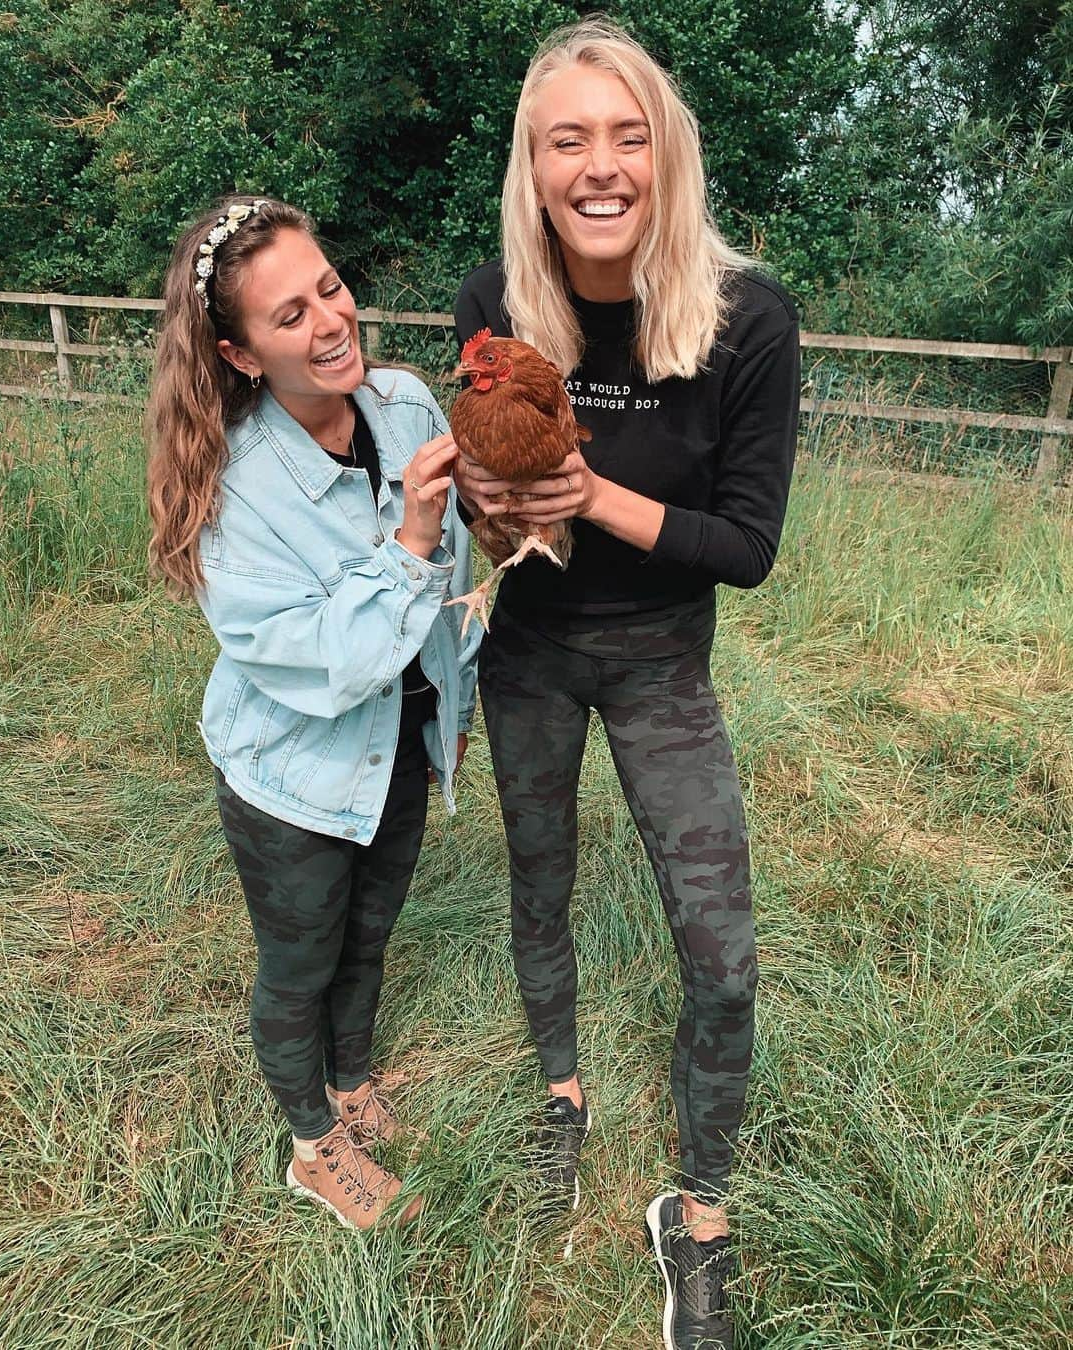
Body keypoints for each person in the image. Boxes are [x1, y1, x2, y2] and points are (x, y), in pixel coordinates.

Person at [453, 18, 798, 1348]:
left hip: (664, 654)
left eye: (625, 135)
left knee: (722, 953)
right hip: (529, 643)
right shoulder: (497, 296)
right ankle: (561, 1092)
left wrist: (592, 489)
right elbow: (490, 508)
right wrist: (486, 510)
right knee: (538, 872)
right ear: (535, 171)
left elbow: (749, 548)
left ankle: (695, 1211)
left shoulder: (746, 319)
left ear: (665, 154)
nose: (599, 165)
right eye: (566, 140)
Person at [147, 196, 479, 1231]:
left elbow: (459, 575)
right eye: (288, 316)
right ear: (240, 354)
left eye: (329, 288)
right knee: (302, 962)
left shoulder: (410, 405)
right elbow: (326, 663)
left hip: (403, 750)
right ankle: (309, 1141)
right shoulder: (236, 493)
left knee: (371, 934)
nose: (330, 322)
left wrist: (455, 695)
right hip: (293, 774)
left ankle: (351, 1083)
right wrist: (410, 540)